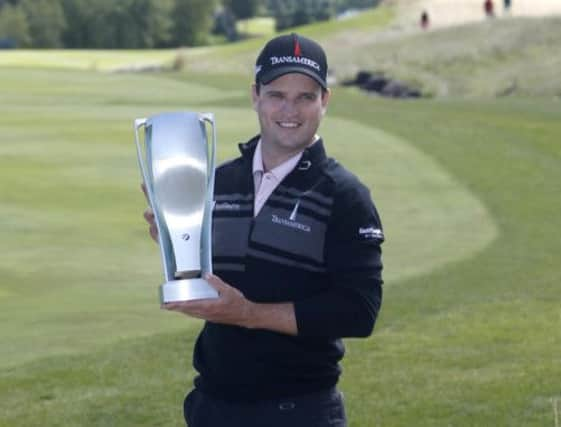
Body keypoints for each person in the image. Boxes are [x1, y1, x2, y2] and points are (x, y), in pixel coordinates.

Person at [142, 33, 384, 427]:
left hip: (298, 411)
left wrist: (248, 314)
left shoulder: (345, 195)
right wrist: (175, 242)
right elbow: (213, 276)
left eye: (305, 96)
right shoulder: (216, 182)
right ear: (255, 95)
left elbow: (360, 312)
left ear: (325, 101)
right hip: (212, 406)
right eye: (276, 94)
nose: (290, 109)